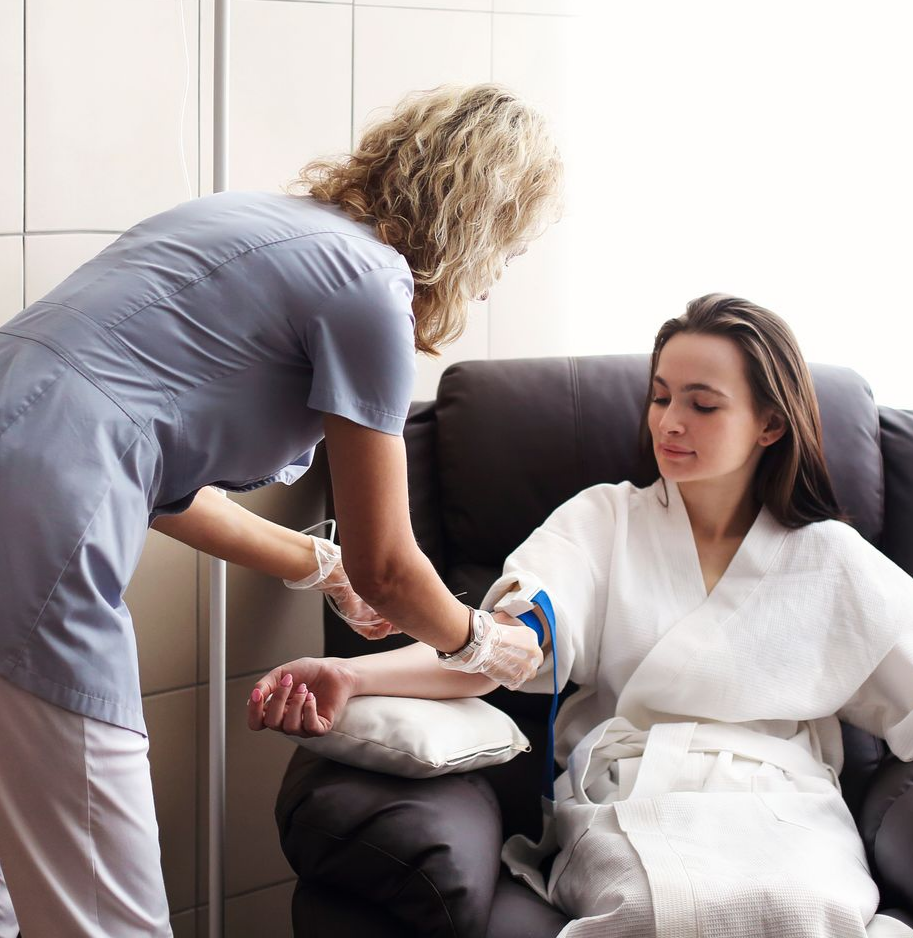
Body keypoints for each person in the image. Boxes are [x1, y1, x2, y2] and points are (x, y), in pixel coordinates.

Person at [0, 83, 558, 938]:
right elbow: (391, 563)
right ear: (483, 224)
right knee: (105, 912)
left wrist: (318, 565)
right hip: (37, 527)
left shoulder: (243, 219)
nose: (492, 282)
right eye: (511, 253)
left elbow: (147, 470)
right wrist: (485, 644)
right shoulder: (373, 287)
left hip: (31, 470)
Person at [250, 294, 913, 938]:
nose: (668, 421)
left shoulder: (828, 558)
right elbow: (498, 649)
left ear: (769, 424)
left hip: (785, 806)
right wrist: (353, 673)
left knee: (807, 906)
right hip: (639, 792)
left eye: (701, 403)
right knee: (667, 910)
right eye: (660, 396)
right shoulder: (600, 521)